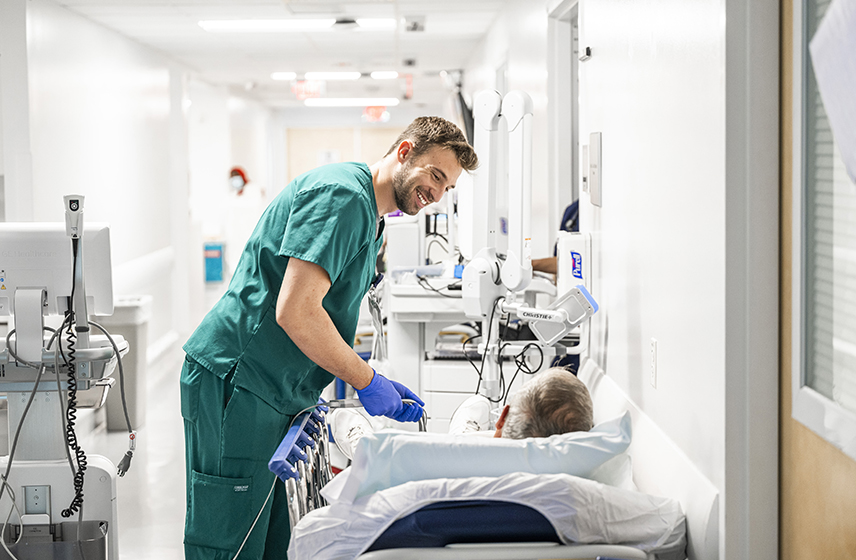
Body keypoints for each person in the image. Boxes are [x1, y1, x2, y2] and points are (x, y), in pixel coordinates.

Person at [179, 116, 479, 560]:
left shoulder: (370, 217)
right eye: (436, 176)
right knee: (231, 542)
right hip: (239, 379)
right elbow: (296, 312)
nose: (437, 194)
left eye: (447, 188)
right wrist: (366, 379)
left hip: (275, 388)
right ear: (404, 152)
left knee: (272, 543)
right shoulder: (343, 197)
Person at [330, 367, 594, 460]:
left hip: (461, 455)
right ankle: (468, 432)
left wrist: (364, 382)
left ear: (502, 418)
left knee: (359, 440)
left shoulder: (411, 455)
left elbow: (369, 454)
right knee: (467, 426)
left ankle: (467, 434)